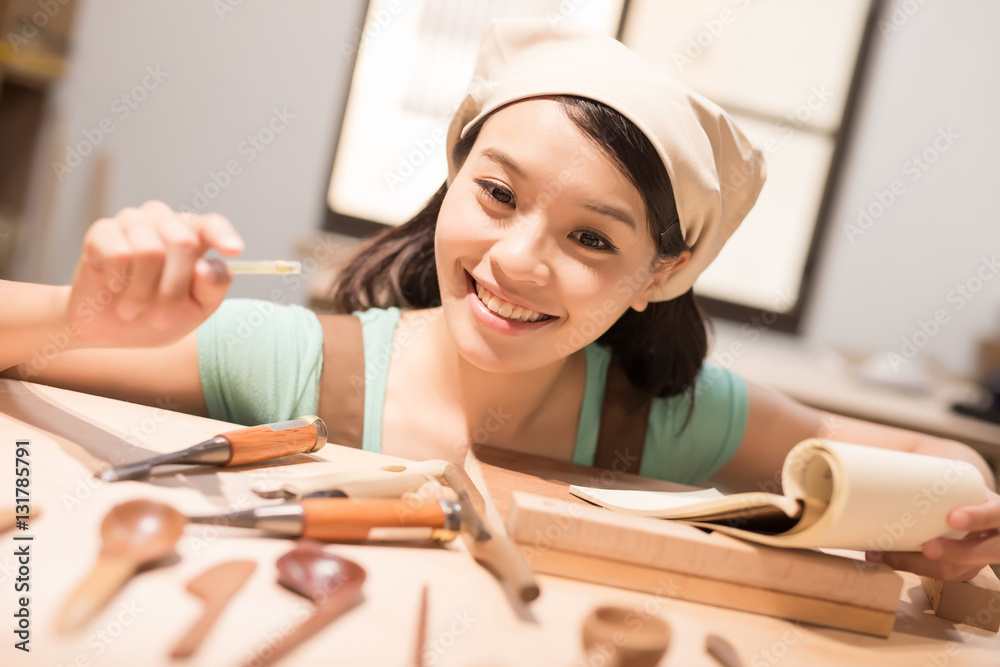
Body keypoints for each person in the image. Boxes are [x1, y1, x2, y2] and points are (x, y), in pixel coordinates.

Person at [1, 19, 997, 581]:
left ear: (661, 274)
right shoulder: (308, 362)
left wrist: (942, 518)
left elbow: (933, 460)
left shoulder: (668, 423)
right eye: (497, 194)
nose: (517, 260)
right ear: (453, 171)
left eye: (591, 238)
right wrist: (78, 319)